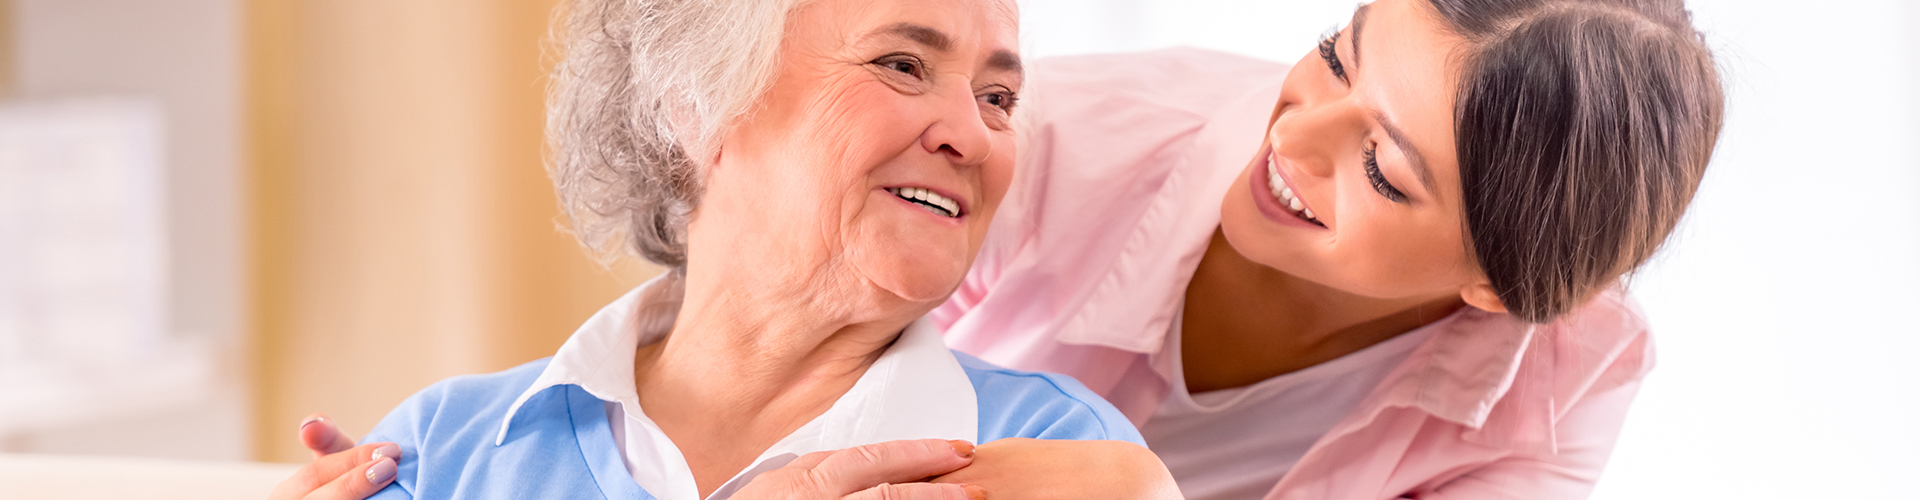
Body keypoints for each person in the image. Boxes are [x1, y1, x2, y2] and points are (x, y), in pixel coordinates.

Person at [285, 0, 1725, 498]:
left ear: (1494, 281)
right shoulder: (467, 440)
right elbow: (777, 288)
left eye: (1387, 169)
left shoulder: (1562, 373)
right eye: (1333, 58)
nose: (1296, 141)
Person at [269, 0, 1178, 498]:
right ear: (698, 104)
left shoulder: (1061, 457)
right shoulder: (444, 448)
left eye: (999, 98)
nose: (972, 136)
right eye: (903, 64)